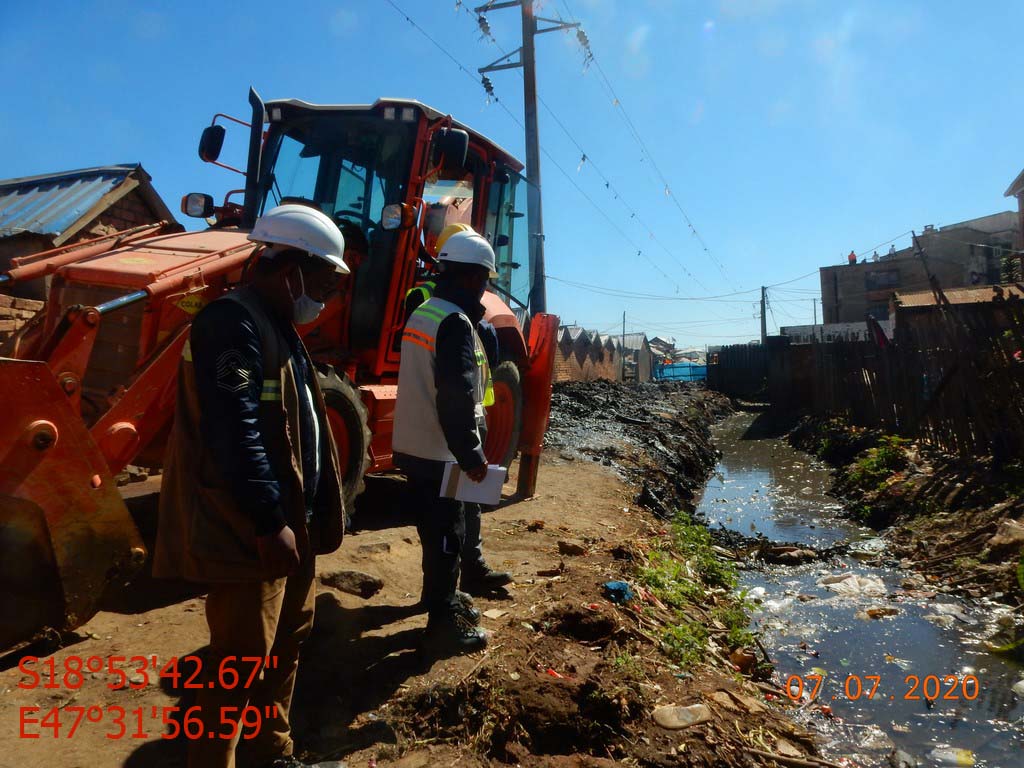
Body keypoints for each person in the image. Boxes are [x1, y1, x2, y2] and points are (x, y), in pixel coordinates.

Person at [154, 203, 349, 768]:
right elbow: (234, 425)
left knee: (285, 644)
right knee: (238, 660)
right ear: (288, 269)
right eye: (320, 281)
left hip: (291, 522)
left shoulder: (278, 325)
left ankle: (272, 753)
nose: (325, 295)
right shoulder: (231, 325)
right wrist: (268, 520)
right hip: (249, 530)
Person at [393, 229, 507, 654]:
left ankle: (440, 597)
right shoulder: (454, 323)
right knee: (448, 535)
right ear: (475, 276)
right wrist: (473, 456)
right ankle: (442, 625)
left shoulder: (425, 313)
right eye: (484, 280)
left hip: (415, 445)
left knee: (433, 530)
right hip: (441, 452)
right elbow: (456, 395)